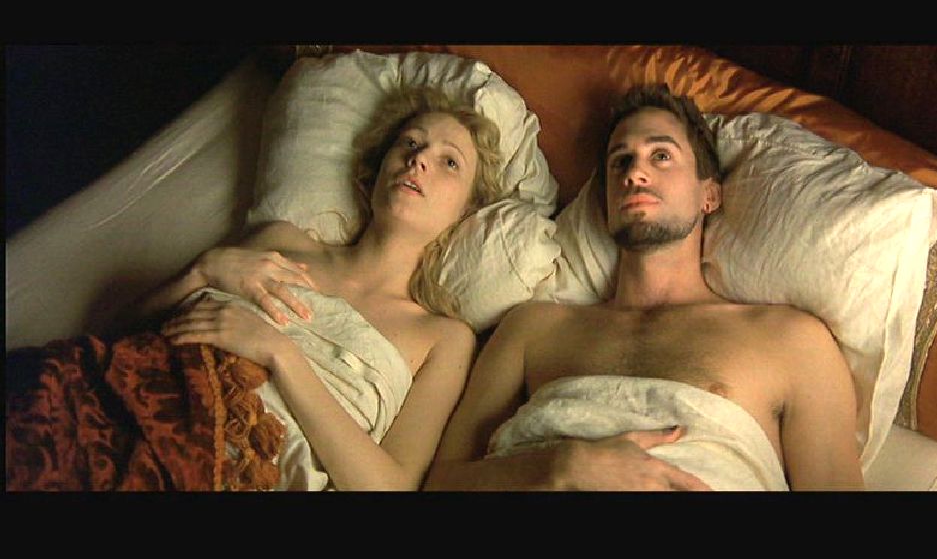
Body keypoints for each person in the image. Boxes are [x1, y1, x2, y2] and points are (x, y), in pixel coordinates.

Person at [8, 86, 503, 491]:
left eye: (449, 162)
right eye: (410, 143)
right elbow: (114, 332)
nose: (419, 160)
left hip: (220, 467)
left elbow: (389, 488)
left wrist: (279, 354)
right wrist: (201, 272)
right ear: (379, 166)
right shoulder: (281, 241)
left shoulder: (443, 338)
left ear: (466, 210)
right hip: (115, 396)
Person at [423, 84, 864, 491]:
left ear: (709, 195)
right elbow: (441, 483)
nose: (635, 173)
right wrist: (559, 465)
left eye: (661, 156)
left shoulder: (792, 341)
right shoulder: (532, 329)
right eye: (621, 161)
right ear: (605, 202)